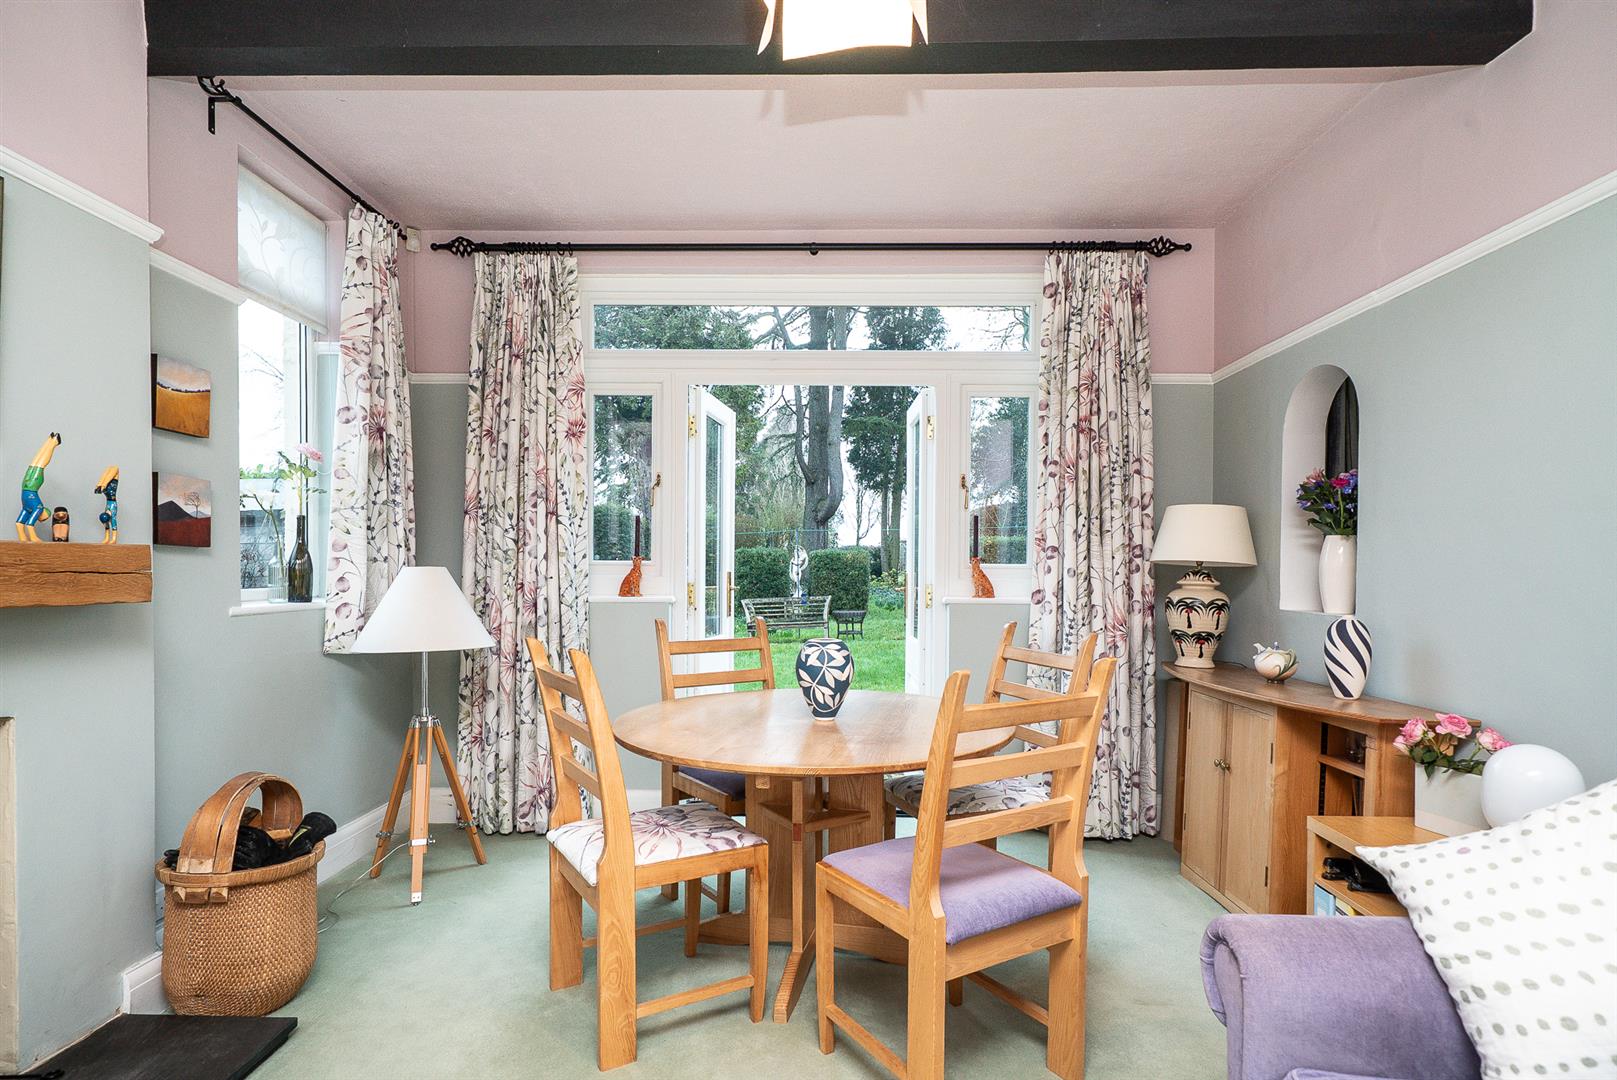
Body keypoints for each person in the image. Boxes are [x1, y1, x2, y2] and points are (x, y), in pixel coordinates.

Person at [15, 432, 61, 542]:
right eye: (43, 518)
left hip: (30, 487)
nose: (40, 519)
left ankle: (50, 441)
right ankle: (53, 442)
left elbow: (19, 523)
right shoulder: (38, 507)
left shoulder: (28, 508)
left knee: (36, 462)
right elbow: (29, 524)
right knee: (39, 463)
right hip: (27, 487)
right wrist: (33, 537)